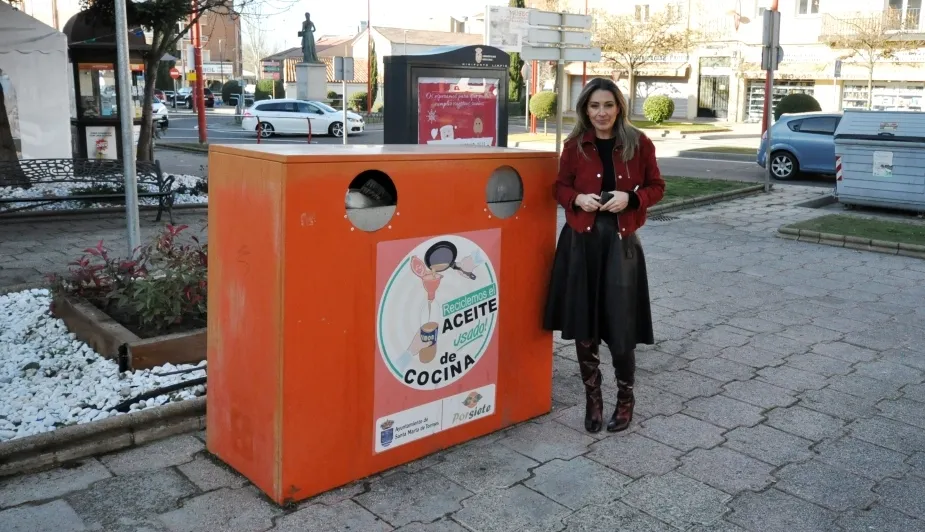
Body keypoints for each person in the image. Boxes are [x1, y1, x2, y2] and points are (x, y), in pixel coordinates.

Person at [543, 78, 665, 433]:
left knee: (621, 322)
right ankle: (592, 399)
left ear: (619, 108)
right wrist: (575, 199)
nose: (601, 113)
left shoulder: (639, 143)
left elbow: (657, 186)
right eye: (594, 106)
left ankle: (625, 399)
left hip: (620, 243)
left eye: (608, 105)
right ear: (585, 109)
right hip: (581, 243)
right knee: (584, 324)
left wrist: (633, 198)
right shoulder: (575, 146)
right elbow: (559, 185)